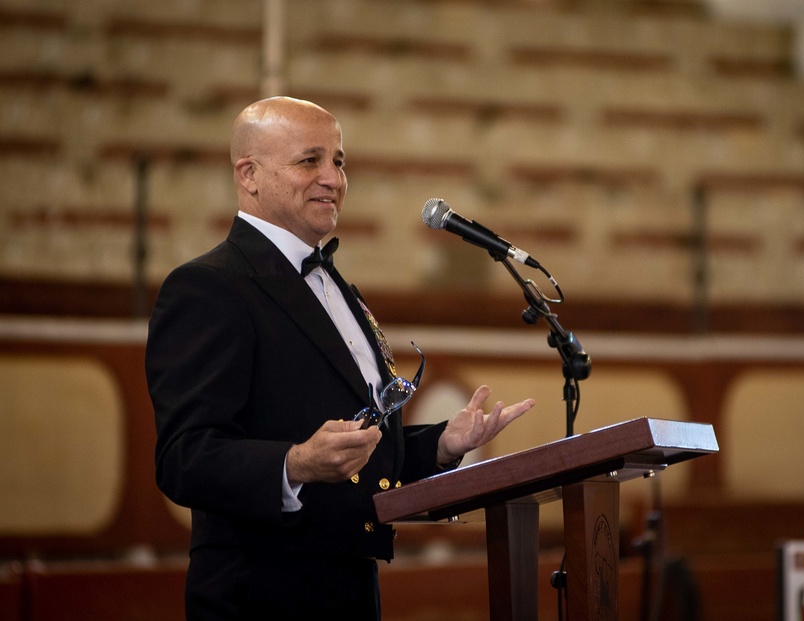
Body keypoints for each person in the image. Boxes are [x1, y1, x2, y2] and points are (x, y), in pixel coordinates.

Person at [146, 96, 535, 620]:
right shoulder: (208, 287)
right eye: (310, 161)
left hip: (350, 591)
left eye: (339, 161)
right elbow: (183, 458)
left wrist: (440, 445)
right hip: (259, 595)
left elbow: (357, 449)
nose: (333, 178)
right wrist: (295, 463)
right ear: (250, 175)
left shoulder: (333, 285)